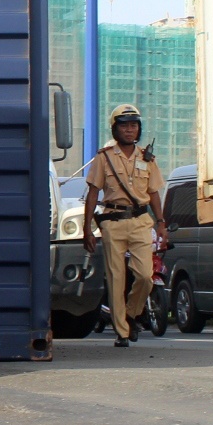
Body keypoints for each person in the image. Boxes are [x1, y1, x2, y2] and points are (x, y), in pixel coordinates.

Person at [82, 104, 168, 347]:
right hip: (113, 222)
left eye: (134, 125)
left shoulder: (147, 158)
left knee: (144, 276)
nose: (129, 130)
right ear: (115, 128)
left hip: (141, 221)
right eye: (124, 125)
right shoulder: (104, 157)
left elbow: (154, 193)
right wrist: (87, 228)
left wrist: (161, 223)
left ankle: (130, 314)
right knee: (116, 278)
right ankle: (121, 332)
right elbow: (92, 192)